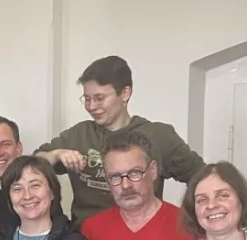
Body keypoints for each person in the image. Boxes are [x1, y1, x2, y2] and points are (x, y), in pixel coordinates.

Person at [33, 55, 205, 223]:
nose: (91, 106)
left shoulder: (159, 136)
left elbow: (202, 176)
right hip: (86, 236)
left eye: (99, 98)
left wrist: (190, 220)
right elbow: (33, 165)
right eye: (87, 99)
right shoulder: (78, 135)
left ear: (125, 94)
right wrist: (56, 154)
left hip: (141, 233)